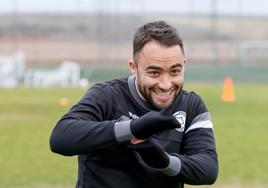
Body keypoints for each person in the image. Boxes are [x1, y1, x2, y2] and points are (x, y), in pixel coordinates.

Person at [50, 20, 218, 188]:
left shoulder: (191, 106)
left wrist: (164, 161)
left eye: (175, 71)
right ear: (134, 67)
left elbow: (208, 169)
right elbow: (61, 138)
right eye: (154, 72)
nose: (166, 84)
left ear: (184, 65)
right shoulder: (107, 95)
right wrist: (131, 129)